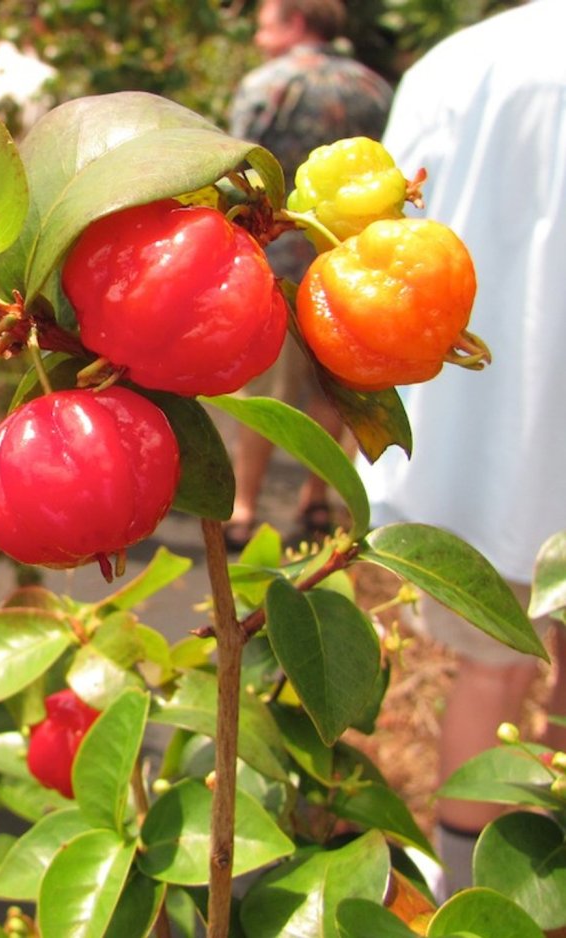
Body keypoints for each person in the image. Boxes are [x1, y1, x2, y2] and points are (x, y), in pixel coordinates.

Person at [357, 0, 566, 896]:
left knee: (488, 667)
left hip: (472, 424)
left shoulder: (458, 62)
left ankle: (471, 901)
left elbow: (377, 236)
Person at [225, 0, 392, 551]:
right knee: (332, 384)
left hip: (271, 268)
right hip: (349, 267)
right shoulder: (373, 87)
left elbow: (232, 171)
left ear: (296, 22)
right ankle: (314, 497)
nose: (256, 33)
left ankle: (244, 508)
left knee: (265, 393)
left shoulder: (269, 85)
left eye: (266, 20)